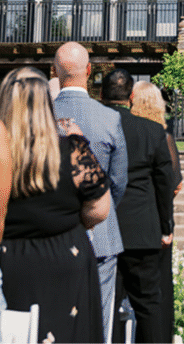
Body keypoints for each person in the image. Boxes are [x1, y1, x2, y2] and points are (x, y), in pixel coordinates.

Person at [0, 67, 110, 343]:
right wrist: (74, 219)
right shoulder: (73, 149)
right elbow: (100, 207)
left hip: (12, 257)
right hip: (65, 254)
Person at [53, 41, 128, 344]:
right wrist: (101, 208)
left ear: (54, 72)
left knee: (55, 319)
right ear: (89, 70)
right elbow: (118, 180)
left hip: (53, 231)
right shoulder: (110, 118)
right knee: (100, 319)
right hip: (101, 231)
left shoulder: (40, 118)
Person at [101, 70, 175, 344]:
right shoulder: (153, 130)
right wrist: (166, 226)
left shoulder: (94, 126)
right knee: (148, 305)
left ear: (100, 94)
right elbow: (164, 183)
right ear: (131, 97)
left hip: (103, 226)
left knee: (104, 306)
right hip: (142, 231)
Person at [130, 81, 183, 344]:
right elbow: (175, 182)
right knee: (158, 291)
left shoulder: (127, 131)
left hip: (136, 221)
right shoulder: (163, 135)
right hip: (157, 219)